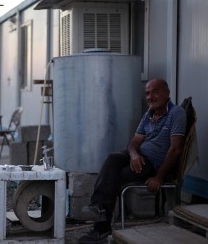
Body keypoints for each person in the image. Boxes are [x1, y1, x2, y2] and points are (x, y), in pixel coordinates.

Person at [77, 78, 187, 244]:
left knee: (115, 176)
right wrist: (134, 154)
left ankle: (101, 226)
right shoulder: (148, 115)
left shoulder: (176, 113)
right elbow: (134, 142)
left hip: (153, 164)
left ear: (167, 93)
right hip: (139, 157)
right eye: (147, 93)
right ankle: (98, 208)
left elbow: (175, 149)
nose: (150, 97)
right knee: (112, 158)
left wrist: (159, 177)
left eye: (155, 92)